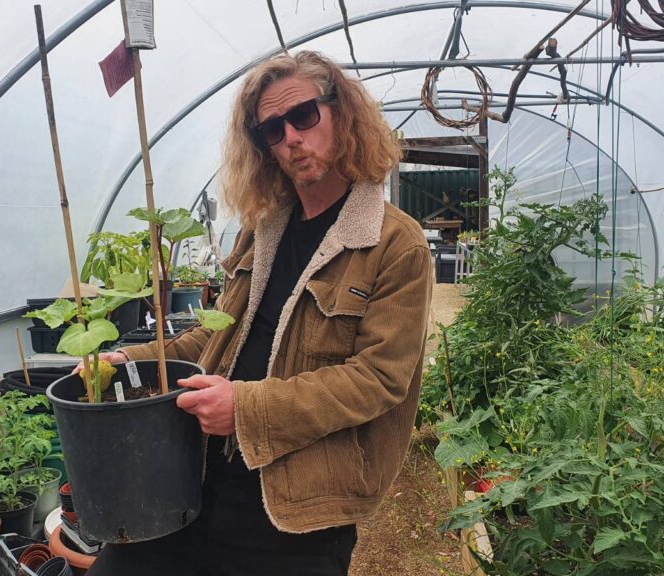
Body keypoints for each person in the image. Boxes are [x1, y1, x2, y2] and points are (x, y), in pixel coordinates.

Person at [85, 50, 432, 576]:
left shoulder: (392, 243)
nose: (291, 137)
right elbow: (215, 339)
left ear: (341, 112)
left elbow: (379, 379)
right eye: (272, 129)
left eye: (304, 116)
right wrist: (124, 360)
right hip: (197, 471)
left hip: (296, 499)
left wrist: (245, 409)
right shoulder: (263, 228)